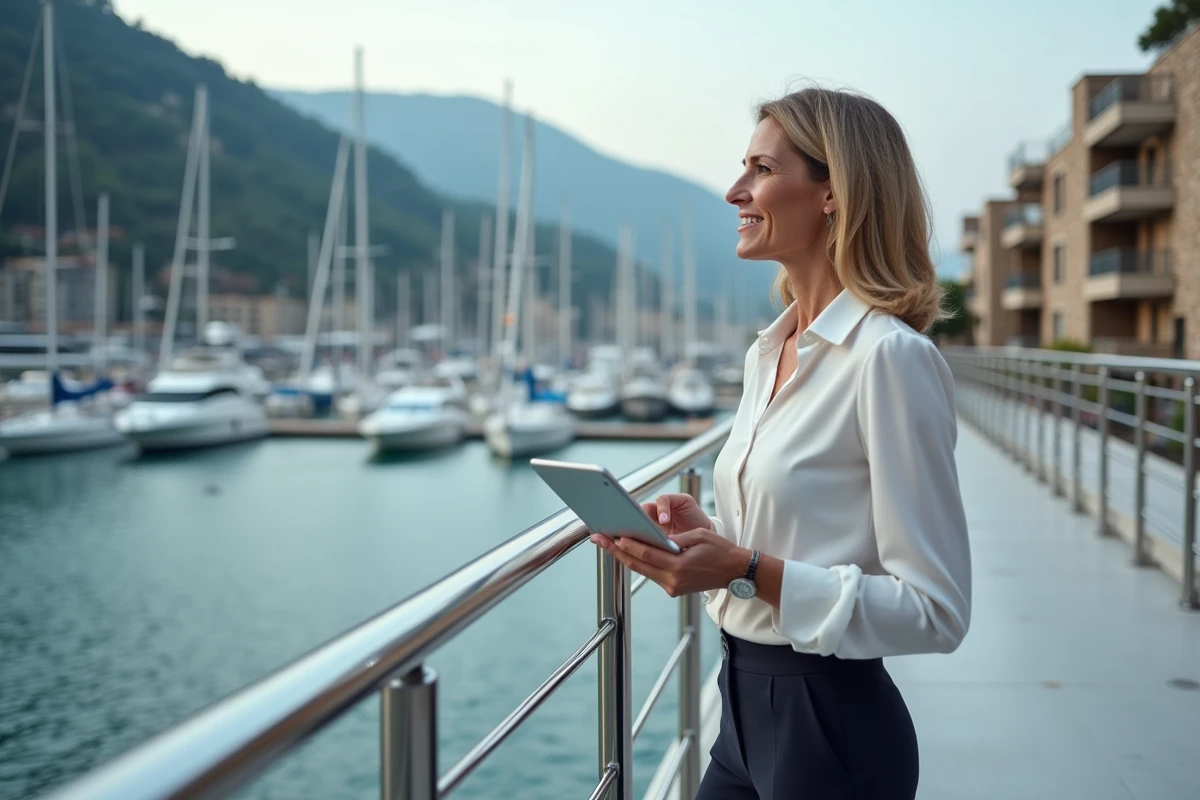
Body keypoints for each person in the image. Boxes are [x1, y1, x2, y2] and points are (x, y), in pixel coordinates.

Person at [590, 86, 972, 799]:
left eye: (761, 169)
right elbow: (799, 538)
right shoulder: (768, 352)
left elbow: (936, 611)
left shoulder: (890, 359)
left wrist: (745, 566)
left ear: (833, 193)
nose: (735, 190)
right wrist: (716, 539)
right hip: (738, 712)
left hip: (831, 730)